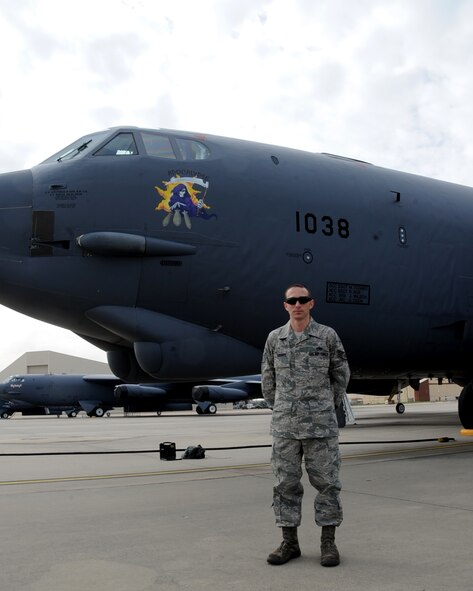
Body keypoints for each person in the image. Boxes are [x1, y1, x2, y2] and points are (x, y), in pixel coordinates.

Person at [261, 283, 350, 567]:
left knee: (327, 484)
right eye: (292, 300)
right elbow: (268, 379)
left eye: (303, 299)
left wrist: (326, 404)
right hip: (286, 426)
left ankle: (328, 544)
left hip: (321, 426)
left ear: (311, 303)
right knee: (284, 484)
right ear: (285, 305)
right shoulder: (275, 339)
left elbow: (341, 374)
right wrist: (283, 406)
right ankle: (290, 543)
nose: (297, 304)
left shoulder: (327, 336)